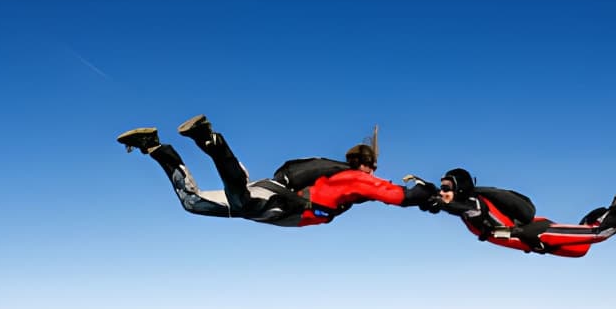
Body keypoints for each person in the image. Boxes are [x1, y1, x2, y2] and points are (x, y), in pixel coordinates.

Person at [117, 116, 436, 227]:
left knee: (192, 203)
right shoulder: (354, 178)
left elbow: (375, 193)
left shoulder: (340, 175)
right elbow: (394, 196)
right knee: (241, 198)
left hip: (270, 195)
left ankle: (154, 146)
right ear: (365, 165)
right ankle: (209, 139)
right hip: (278, 205)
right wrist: (428, 194)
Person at [421, 168, 616, 257]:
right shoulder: (464, 205)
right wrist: (422, 197)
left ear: (460, 189)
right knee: (581, 251)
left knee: (598, 234)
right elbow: (450, 206)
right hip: (531, 238)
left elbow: (458, 206)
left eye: (448, 188)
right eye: (443, 187)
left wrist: (440, 201)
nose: (445, 192)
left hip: (536, 232)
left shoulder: (472, 205)